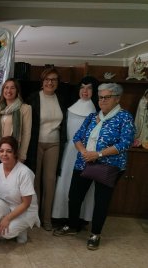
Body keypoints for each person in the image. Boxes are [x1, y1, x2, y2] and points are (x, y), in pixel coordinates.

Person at [53, 83, 135, 250]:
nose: (102, 100)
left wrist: (98, 154)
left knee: (101, 201)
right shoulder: (92, 117)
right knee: (74, 196)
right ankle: (73, 226)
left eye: (107, 97)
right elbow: (77, 137)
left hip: (108, 166)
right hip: (84, 162)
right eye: (101, 97)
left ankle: (95, 234)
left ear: (117, 98)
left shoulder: (124, 117)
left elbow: (125, 143)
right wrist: (84, 152)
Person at [52, 76, 99, 224]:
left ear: (94, 91)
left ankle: (81, 218)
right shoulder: (69, 107)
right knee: (65, 182)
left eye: (89, 88)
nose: (85, 91)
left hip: (87, 154)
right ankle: (61, 215)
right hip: (69, 152)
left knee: (84, 188)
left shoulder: (98, 112)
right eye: (82, 87)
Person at [25, 67, 67, 231]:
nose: (50, 82)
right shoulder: (33, 98)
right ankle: (34, 218)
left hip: (54, 144)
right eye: (47, 79)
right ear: (42, 82)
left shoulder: (62, 99)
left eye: (54, 79)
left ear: (57, 82)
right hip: (36, 143)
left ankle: (47, 218)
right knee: (35, 181)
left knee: (50, 181)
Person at [0, 136, 40, 244]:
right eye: (1, 151)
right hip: (7, 203)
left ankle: (21, 230)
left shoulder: (24, 172)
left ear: (15, 153)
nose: (4, 154)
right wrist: (5, 217)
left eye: (9, 151)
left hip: (25, 209)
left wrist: (7, 218)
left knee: (7, 233)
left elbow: (26, 204)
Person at [0, 78, 32, 164]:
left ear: (17, 91)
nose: (9, 90)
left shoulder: (25, 108)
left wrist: (22, 155)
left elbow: (26, 133)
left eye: (12, 88)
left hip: (15, 152)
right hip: (0, 152)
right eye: (6, 87)